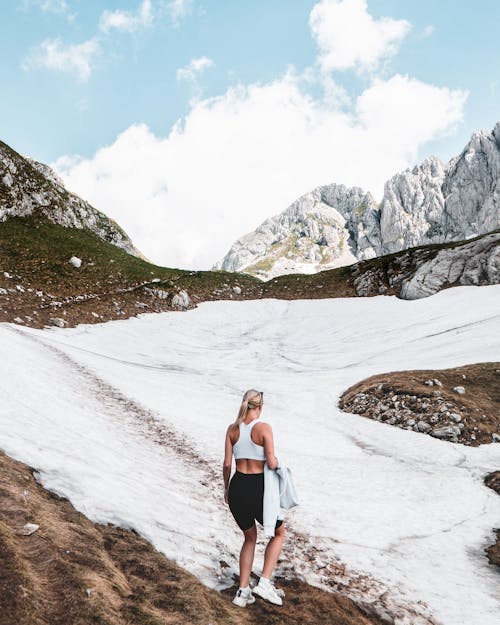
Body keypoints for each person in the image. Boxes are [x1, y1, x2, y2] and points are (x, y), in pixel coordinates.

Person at [223, 389, 286, 608]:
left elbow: (227, 464)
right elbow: (271, 463)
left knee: (249, 537)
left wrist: (225, 489)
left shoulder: (232, 429)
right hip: (258, 488)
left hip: (237, 487)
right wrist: (279, 464)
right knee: (279, 532)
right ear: (259, 407)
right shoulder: (263, 428)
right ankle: (265, 582)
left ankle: (243, 591)